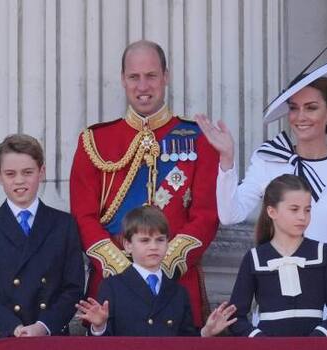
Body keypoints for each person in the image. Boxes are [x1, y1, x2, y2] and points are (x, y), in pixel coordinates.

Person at [195, 56, 327, 333]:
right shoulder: (268, 159)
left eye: (311, 108)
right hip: (272, 305)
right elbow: (230, 215)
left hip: (325, 305)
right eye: (294, 108)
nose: (301, 117)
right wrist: (227, 160)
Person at [69, 40, 219, 327]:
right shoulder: (95, 141)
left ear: (166, 76)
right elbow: (83, 216)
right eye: (134, 77)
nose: (143, 86)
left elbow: (207, 215)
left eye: (151, 76)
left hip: (175, 286)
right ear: (123, 80)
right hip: (112, 284)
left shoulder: (199, 138)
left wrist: (161, 265)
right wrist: (124, 270)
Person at [0, 134, 85, 338]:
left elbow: (73, 288)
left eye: (28, 172)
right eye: (10, 174)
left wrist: (43, 326)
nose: (19, 181)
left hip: (50, 338)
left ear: (41, 172)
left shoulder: (64, 224)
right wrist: (12, 327)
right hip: (1, 337)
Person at [75, 206, 236, 337]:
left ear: (168, 243)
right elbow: (101, 348)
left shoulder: (178, 292)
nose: (153, 246)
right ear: (128, 245)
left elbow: (186, 345)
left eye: (160, 240)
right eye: (145, 240)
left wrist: (205, 333)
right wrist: (99, 327)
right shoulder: (112, 287)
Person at [227, 174, 327, 337]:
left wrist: (318, 337)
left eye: (307, 209)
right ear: (272, 211)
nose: (302, 217)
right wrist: (260, 340)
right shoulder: (255, 258)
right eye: (294, 209)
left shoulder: (323, 253)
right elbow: (236, 315)